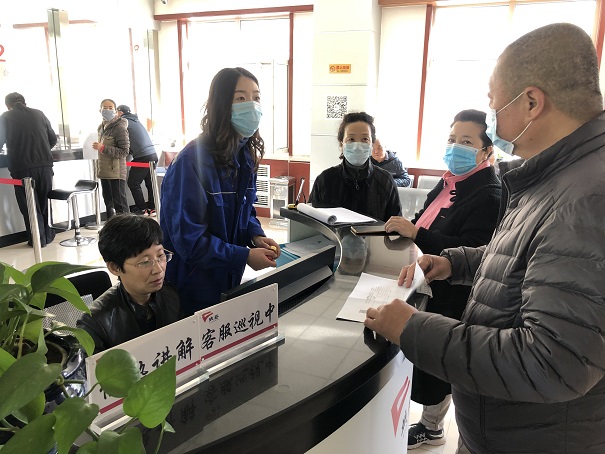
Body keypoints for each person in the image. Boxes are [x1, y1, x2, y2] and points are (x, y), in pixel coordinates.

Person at [364, 23, 605, 454]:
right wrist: (456, 262)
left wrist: (414, 329)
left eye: (495, 103)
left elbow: (553, 362)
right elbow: (529, 259)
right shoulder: (556, 175)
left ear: (531, 103)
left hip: (537, 440)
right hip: (505, 430)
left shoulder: (586, 198)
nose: (492, 117)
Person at [383, 109, 501, 449]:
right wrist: (413, 230)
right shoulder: (451, 180)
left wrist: (417, 233)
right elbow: (426, 218)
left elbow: (474, 249)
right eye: (452, 139)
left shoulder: (488, 193)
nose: (455, 147)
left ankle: (432, 427)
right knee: (423, 355)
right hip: (428, 280)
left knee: (439, 363)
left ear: (486, 151)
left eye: (466, 141)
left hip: (453, 292)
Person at [160, 67, 281, 315]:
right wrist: (244, 256)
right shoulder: (191, 161)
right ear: (221, 104)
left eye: (256, 97)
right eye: (240, 98)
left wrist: (256, 235)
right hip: (192, 284)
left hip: (227, 277)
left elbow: (245, 211)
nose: (252, 105)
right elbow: (189, 241)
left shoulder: (245, 156)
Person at [77, 214, 182, 354]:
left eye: (160, 256)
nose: (158, 269)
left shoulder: (171, 295)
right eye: (145, 262)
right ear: (115, 268)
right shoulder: (94, 324)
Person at [308, 112, 401, 222]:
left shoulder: (385, 181)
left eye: (365, 139)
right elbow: (312, 223)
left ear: (372, 144)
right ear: (341, 143)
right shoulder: (325, 180)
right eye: (351, 139)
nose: (357, 146)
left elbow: (396, 225)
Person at [0, 92, 57, 247]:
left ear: (8, 105)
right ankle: (48, 236)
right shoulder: (39, 114)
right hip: (45, 166)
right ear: (24, 102)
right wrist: (42, 151)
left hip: (22, 168)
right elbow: (53, 139)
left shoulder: (5, 117)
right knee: (45, 202)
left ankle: (37, 240)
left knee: (29, 205)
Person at [116, 105, 158, 216]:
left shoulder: (123, 122)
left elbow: (123, 142)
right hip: (153, 154)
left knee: (133, 183)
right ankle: (153, 208)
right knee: (150, 182)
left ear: (120, 112)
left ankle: (142, 209)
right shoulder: (136, 120)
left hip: (143, 156)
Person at [93, 99, 130, 219]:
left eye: (110, 108)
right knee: (108, 203)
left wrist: (103, 148)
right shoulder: (101, 127)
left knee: (120, 205)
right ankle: (112, 227)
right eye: (105, 107)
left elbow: (124, 151)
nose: (107, 110)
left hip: (116, 172)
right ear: (100, 110)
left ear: (115, 111)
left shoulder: (120, 127)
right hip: (104, 171)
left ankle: (126, 228)